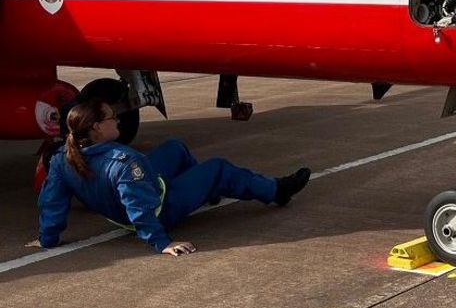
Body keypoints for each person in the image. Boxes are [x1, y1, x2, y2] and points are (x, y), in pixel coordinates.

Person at [34, 91, 310, 256]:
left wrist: (47, 239)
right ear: (96, 128)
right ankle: (276, 191)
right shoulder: (126, 162)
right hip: (160, 208)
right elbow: (139, 207)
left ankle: (207, 191)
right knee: (219, 168)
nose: (116, 120)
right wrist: (161, 242)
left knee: (174, 148)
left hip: (124, 205)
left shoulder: (62, 159)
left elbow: (52, 202)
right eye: (110, 117)